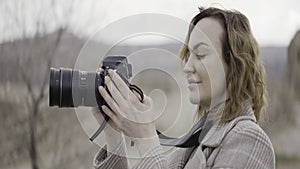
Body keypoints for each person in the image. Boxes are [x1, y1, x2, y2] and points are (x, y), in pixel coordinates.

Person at [92, 7, 275, 169]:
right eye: (188, 55)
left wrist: (145, 137)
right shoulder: (191, 147)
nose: (187, 67)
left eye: (200, 54)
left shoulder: (250, 141)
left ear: (234, 64)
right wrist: (113, 131)